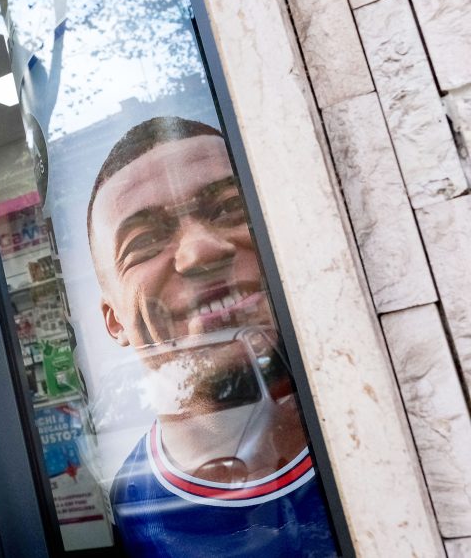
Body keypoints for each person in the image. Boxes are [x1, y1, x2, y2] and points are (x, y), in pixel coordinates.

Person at [86, 116, 336, 556]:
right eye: (144, 241)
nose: (201, 250)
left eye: (227, 208)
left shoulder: (379, 403)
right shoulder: (128, 505)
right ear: (115, 321)